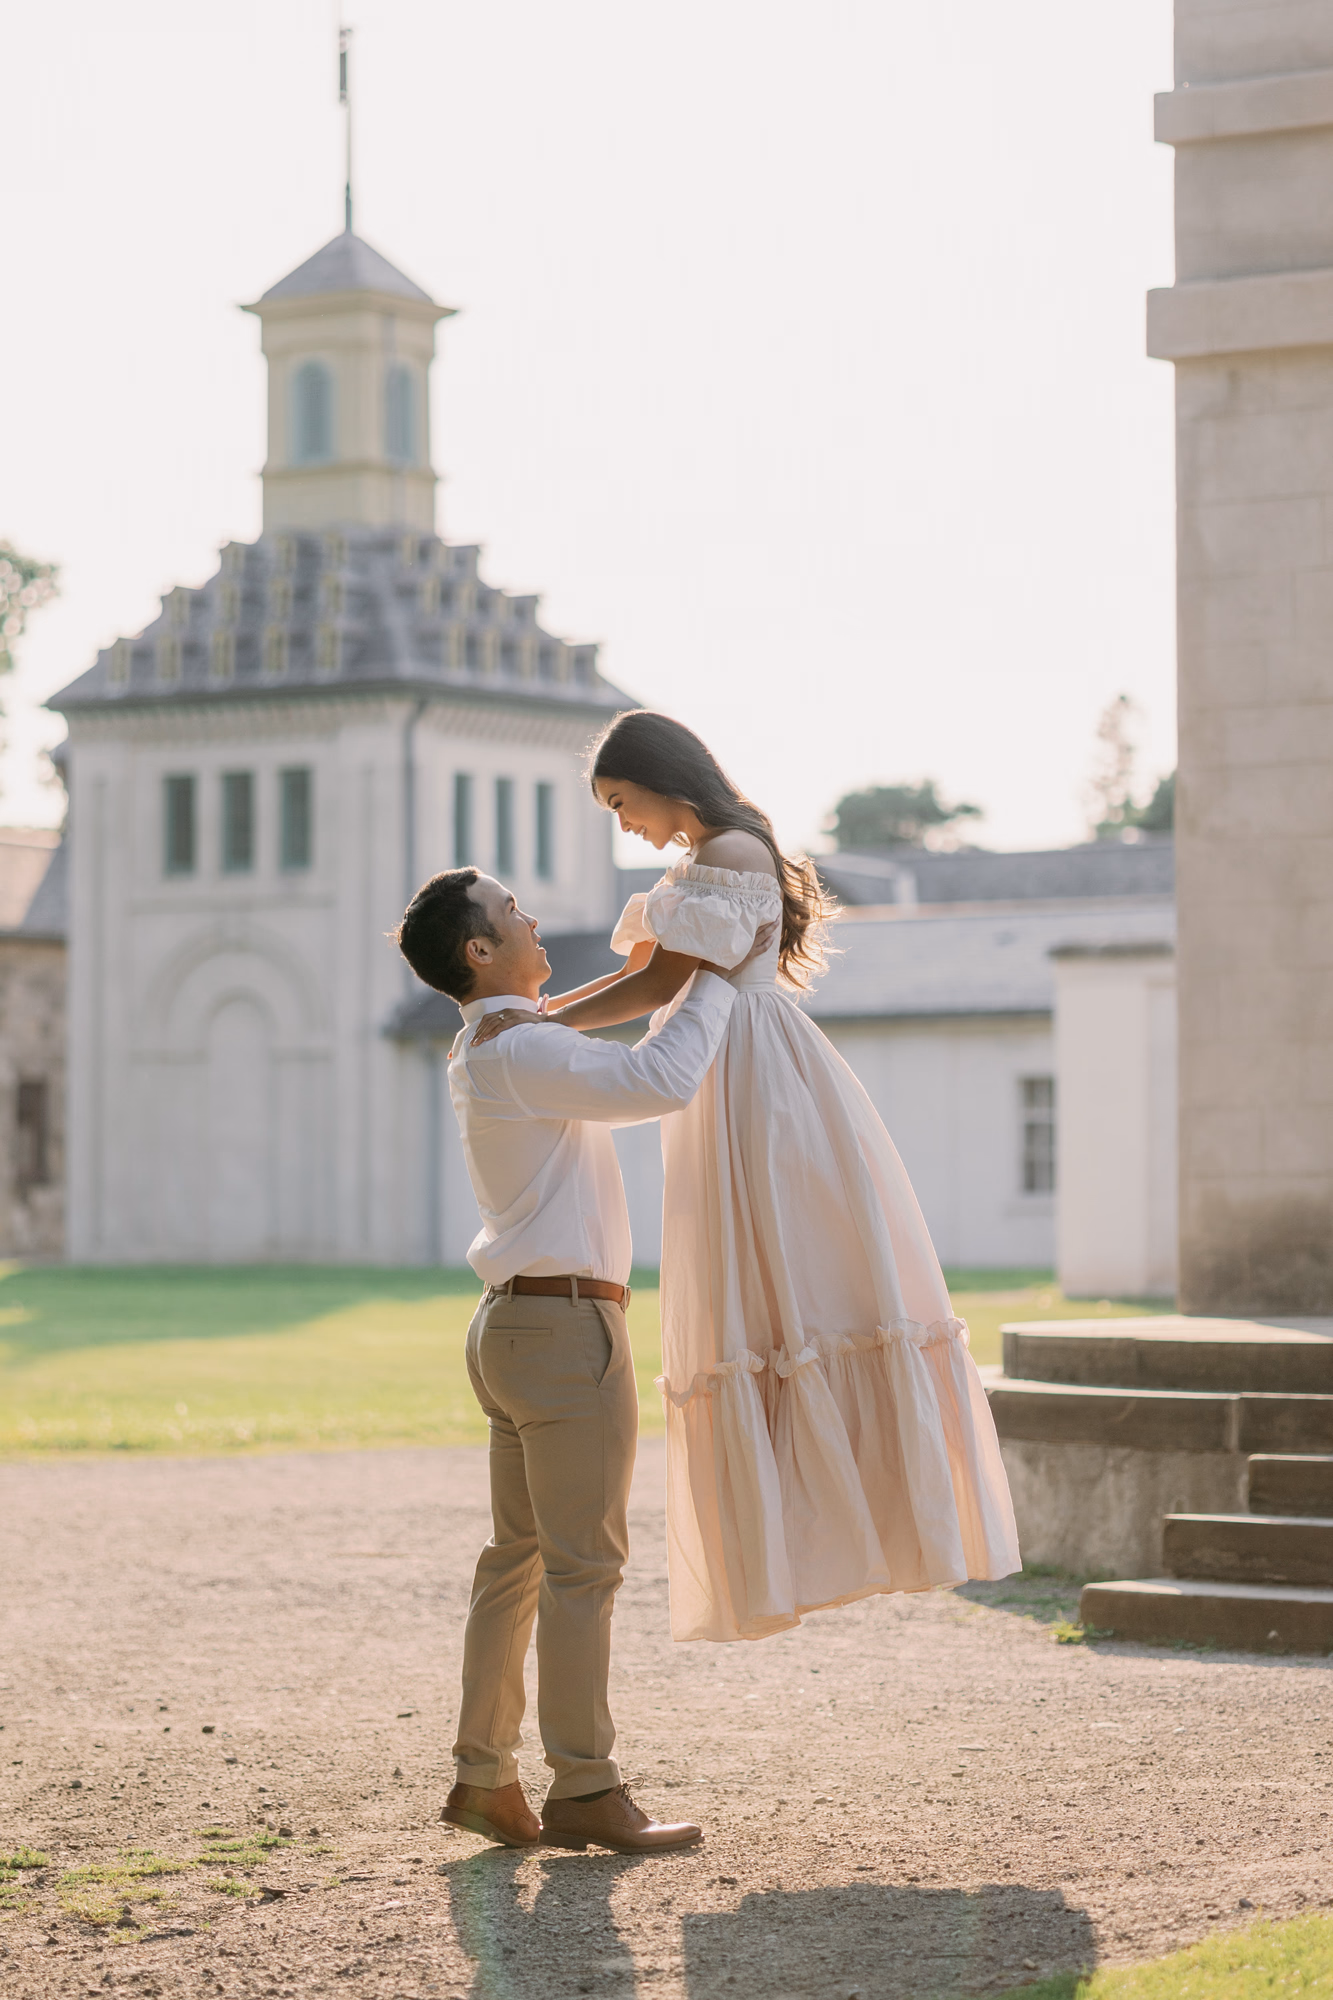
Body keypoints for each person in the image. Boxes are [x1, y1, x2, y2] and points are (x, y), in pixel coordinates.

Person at [472, 710, 1021, 1645]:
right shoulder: (701, 861)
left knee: (795, 1291)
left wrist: (534, 1020)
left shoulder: (728, 848)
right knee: (754, 1298)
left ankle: (847, 1510)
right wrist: (536, 1019)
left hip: (756, 1075)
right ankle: (805, 1518)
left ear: (656, 777)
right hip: (721, 1071)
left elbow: (657, 988)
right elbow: (657, 982)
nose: (623, 825)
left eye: (620, 803)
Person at [395, 864, 771, 1853]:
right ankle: (586, 1786)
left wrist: (672, 968)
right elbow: (658, 1079)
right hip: (562, 1335)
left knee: (516, 1561)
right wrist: (725, 976)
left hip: (515, 1327)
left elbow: (616, 1012)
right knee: (582, 1569)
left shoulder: (502, 1040)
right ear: (479, 950)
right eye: (511, 911)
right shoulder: (521, 1049)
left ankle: (485, 1776)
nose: (530, 916)